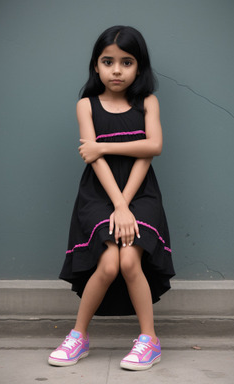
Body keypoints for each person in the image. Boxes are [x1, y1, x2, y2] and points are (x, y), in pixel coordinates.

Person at [48, 25, 175, 371]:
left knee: (131, 261)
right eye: (108, 61)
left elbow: (152, 148)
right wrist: (117, 206)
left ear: (139, 67)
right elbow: (94, 160)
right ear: (96, 66)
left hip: (141, 192)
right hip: (99, 194)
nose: (116, 70)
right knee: (107, 263)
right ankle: (79, 336)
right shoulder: (86, 106)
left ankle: (149, 340)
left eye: (126, 62)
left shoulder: (148, 102)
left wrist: (103, 147)